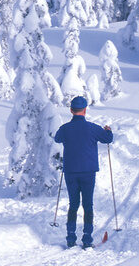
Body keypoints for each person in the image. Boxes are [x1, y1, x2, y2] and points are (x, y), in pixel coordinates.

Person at [54, 96, 113, 249]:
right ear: (85, 110)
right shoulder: (93, 128)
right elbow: (108, 139)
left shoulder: (65, 128)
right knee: (88, 204)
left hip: (70, 172)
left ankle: (70, 238)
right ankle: (87, 240)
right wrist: (108, 131)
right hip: (88, 172)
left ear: (71, 110)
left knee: (73, 204)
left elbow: (57, 139)